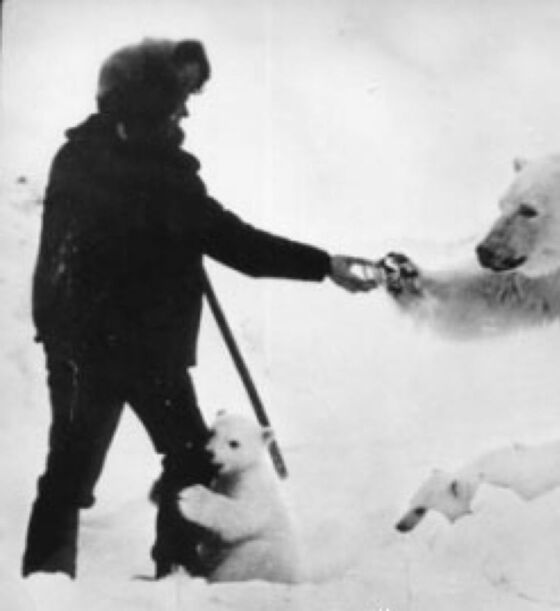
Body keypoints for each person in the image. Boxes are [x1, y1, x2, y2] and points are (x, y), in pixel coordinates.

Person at [22, 38, 377, 579]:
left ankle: (169, 578)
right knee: (103, 471)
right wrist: (325, 265)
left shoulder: (92, 157)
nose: (186, 111)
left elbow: (213, 238)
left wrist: (322, 263)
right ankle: (63, 591)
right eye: (177, 100)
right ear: (146, 103)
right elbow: (237, 244)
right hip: (102, 352)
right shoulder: (153, 172)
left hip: (120, 351)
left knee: (173, 461)